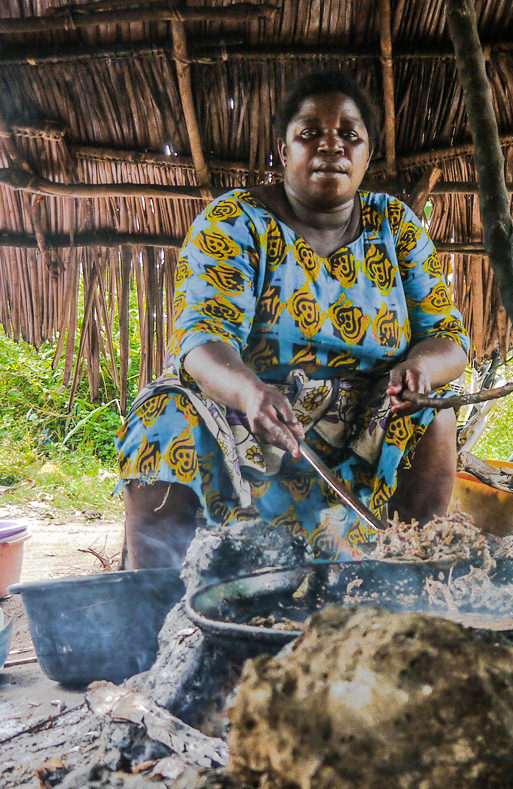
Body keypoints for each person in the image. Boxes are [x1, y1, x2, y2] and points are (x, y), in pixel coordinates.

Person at [116, 71, 470, 569]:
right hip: (246, 413)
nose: (332, 147)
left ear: (368, 154)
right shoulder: (234, 221)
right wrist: (250, 393)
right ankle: (152, 607)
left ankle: (410, 584)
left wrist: (420, 370)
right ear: (284, 153)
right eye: (310, 134)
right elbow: (202, 340)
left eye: (350, 135)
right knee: (165, 418)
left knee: (434, 414)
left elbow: (448, 339)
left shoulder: (395, 227)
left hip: (365, 417)